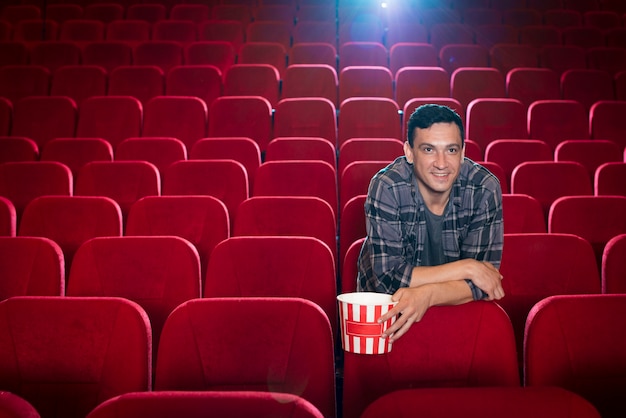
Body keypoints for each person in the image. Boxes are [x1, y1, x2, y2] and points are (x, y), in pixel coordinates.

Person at [357, 103, 505, 342]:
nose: (441, 163)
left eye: (451, 150)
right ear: (409, 152)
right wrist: (467, 267)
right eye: (428, 149)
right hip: (387, 318)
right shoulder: (387, 186)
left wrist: (428, 294)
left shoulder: (484, 188)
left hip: (457, 313)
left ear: (463, 152)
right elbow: (388, 278)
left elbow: (484, 283)